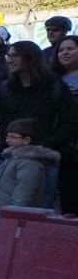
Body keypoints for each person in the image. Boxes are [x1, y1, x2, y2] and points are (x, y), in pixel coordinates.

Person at [0, 120, 58, 230]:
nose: (7, 140)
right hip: (7, 217)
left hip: (16, 220)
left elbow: (24, 195)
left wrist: (12, 214)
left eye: (12, 137)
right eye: (7, 137)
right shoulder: (13, 157)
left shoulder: (30, 164)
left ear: (26, 140)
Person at [56, 34, 78, 214]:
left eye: (70, 49)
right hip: (64, 141)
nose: (65, 53)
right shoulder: (53, 78)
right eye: (61, 50)